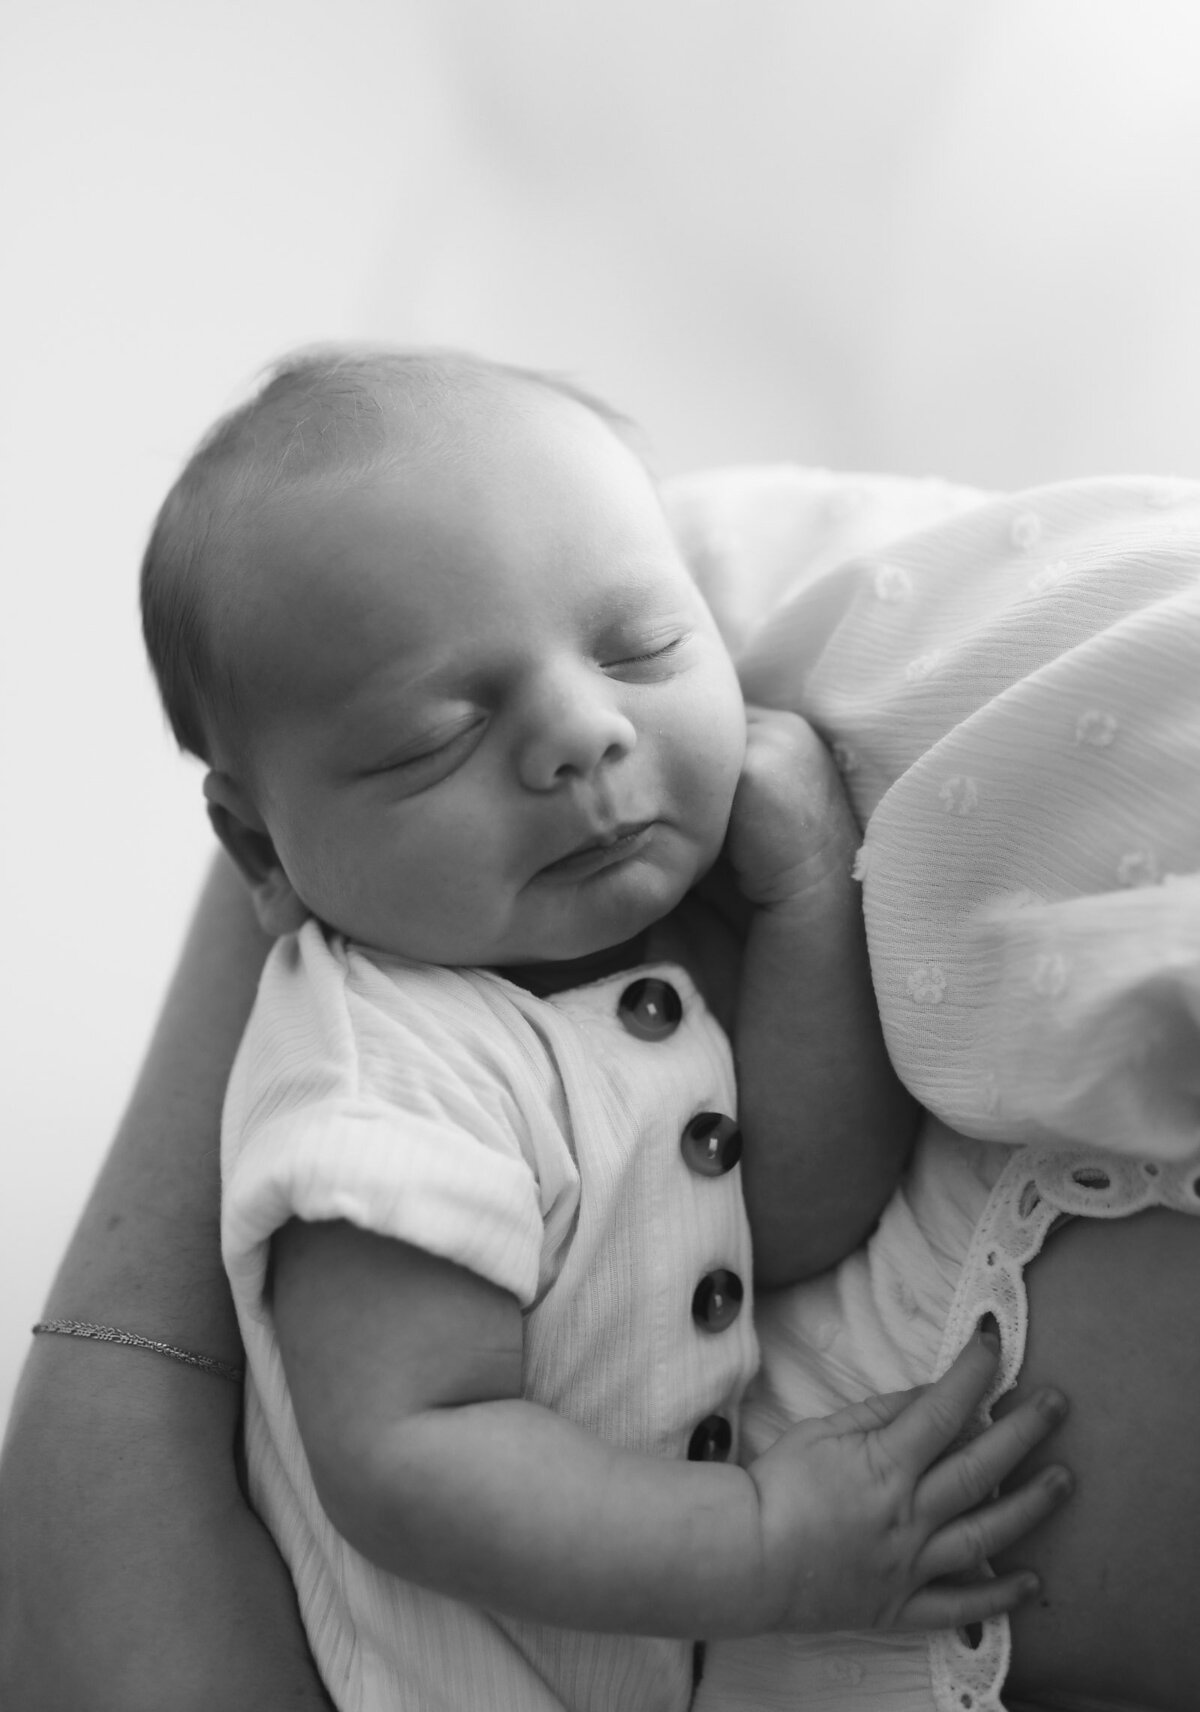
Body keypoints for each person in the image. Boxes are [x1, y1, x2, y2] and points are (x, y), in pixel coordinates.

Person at [4, 357, 1197, 1712]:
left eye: (642, 648)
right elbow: (409, 1451)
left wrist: (810, 905)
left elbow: (796, 1220)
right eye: (432, 738)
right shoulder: (382, 1069)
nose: (582, 734)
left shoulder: (630, 979)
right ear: (258, 850)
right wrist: (763, 1547)